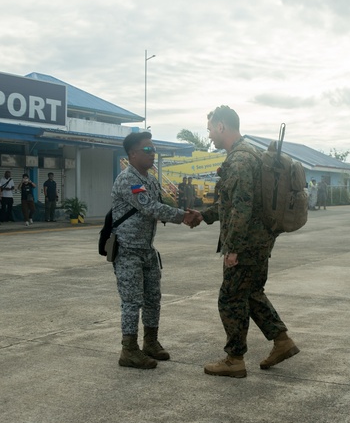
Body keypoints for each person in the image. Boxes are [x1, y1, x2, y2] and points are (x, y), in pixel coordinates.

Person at [199, 105, 299, 378]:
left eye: (210, 129)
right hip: (258, 243)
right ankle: (282, 341)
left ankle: (234, 359)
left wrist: (232, 249)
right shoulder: (250, 155)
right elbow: (232, 203)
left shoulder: (239, 160)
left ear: (221, 127)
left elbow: (240, 209)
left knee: (230, 299)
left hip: (245, 246)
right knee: (252, 294)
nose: (209, 136)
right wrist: (203, 216)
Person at [111, 131, 201, 369]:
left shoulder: (149, 180)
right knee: (132, 301)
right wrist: (183, 217)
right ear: (132, 154)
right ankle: (128, 350)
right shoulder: (128, 179)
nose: (153, 154)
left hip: (147, 249)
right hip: (128, 249)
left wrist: (183, 212)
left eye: (154, 150)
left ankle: (150, 342)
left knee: (153, 298)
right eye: (147, 150)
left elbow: (160, 205)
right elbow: (149, 207)